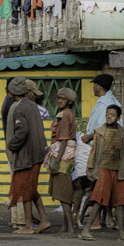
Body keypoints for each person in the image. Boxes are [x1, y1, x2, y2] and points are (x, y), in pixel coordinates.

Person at [78, 105, 124, 242]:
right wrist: (90, 168)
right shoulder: (99, 132)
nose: (109, 116)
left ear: (118, 118)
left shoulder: (121, 133)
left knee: (119, 202)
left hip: (118, 171)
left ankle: (122, 233)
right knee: (99, 200)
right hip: (103, 170)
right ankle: (86, 230)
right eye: (107, 114)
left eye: (112, 115)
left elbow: (123, 154)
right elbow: (93, 152)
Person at [6, 77, 50, 234]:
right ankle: (43, 220)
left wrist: (11, 145)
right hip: (38, 153)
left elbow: (22, 131)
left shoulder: (19, 108)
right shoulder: (32, 105)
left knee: (25, 190)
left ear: (13, 92)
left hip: (27, 156)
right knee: (31, 189)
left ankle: (29, 226)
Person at [46, 87, 78, 236]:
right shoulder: (69, 113)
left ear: (69, 101)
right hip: (66, 156)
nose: (59, 101)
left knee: (63, 194)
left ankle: (70, 229)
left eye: (63, 99)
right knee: (63, 192)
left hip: (62, 156)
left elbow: (64, 139)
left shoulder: (65, 114)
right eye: (58, 98)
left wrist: (57, 161)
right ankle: (65, 228)